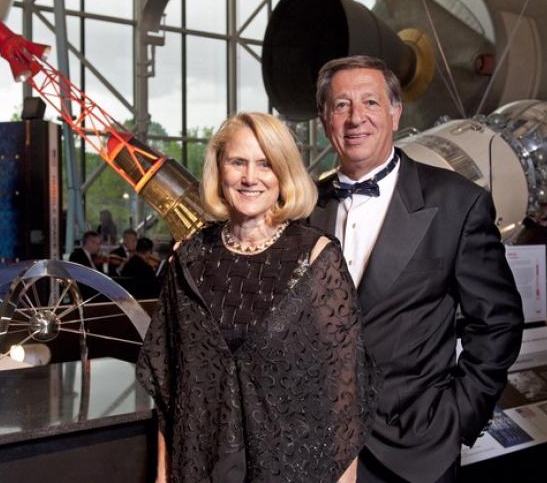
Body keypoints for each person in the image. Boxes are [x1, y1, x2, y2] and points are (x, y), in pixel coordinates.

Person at [309, 55, 524, 483]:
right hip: (314, 449)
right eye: (341, 105)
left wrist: (456, 418)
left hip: (414, 450)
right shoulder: (300, 208)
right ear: (324, 118)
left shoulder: (457, 203)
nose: (356, 118)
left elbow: (497, 323)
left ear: (395, 112)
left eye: (370, 102)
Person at [137, 112, 376, 483]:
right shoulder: (188, 260)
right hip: (201, 469)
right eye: (238, 162)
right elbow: (170, 390)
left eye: (265, 164)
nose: (250, 177)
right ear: (220, 170)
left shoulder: (316, 258)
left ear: (284, 173)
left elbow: (343, 402)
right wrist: (162, 477)